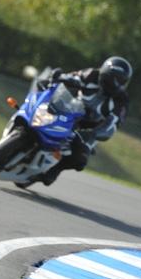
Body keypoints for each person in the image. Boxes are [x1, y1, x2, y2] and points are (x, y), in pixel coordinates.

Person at [36, 56, 132, 185]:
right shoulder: (91, 74)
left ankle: (55, 170)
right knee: (42, 114)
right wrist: (52, 80)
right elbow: (70, 77)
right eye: (112, 78)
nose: (114, 82)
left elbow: (113, 124)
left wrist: (94, 133)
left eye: (120, 80)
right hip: (71, 110)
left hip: (91, 128)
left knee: (80, 159)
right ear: (103, 72)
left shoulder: (122, 100)